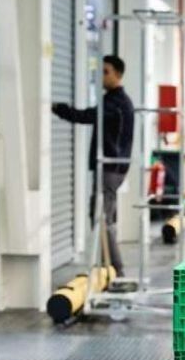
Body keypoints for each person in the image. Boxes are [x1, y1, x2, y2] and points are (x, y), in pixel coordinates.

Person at [52, 54, 135, 277]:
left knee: (101, 217)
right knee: (103, 216)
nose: (101, 76)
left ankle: (116, 270)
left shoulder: (116, 103)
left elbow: (88, 116)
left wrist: (59, 109)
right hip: (112, 168)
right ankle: (106, 265)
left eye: (106, 71)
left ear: (118, 74)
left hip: (110, 168)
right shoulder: (115, 100)